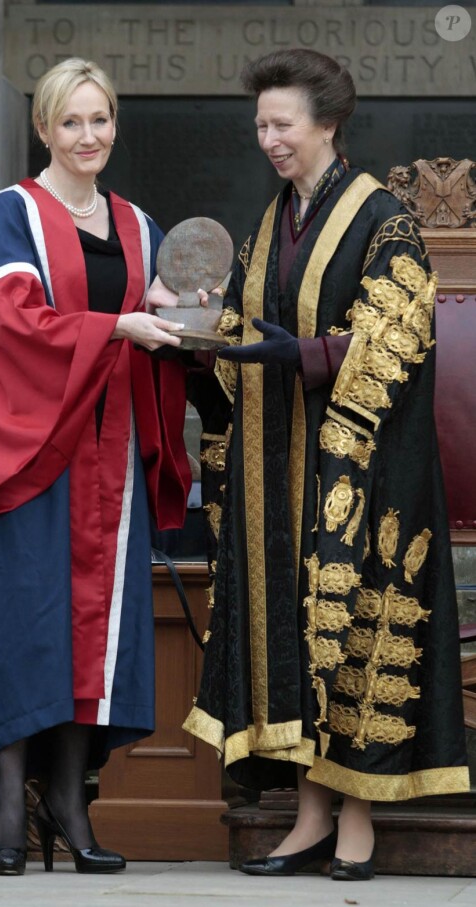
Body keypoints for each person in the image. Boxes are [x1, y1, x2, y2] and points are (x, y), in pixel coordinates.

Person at [182, 48, 470, 882]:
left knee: (351, 634)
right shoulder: (271, 221)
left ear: (327, 123)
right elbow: (244, 329)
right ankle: (309, 810)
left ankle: (356, 816)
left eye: (282, 124)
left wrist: (307, 353)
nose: (268, 139)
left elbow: (399, 335)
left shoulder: (385, 219)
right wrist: (203, 346)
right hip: (281, 467)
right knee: (296, 639)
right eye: (262, 125)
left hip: (364, 472)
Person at [0, 58, 191, 877]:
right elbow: (10, 322)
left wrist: (183, 319)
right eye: (71, 121)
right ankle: (8, 798)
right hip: (25, 453)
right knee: (21, 622)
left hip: (106, 455)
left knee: (94, 625)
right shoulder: (6, 215)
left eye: (101, 119)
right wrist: (119, 329)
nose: (89, 136)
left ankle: (70, 797)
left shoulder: (138, 224)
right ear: (44, 129)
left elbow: (154, 316)